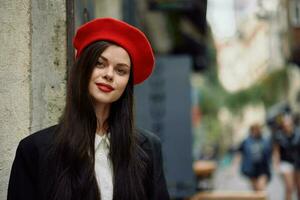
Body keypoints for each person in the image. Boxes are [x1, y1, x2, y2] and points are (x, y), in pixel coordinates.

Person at [7, 18, 170, 200]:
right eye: (100, 63)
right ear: (83, 69)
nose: (109, 75)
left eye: (121, 70)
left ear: (127, 84)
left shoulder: (148, 149)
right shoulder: (35, 149)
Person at [232, 123, 272, 191]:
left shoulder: (265, 141)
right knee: (255, 190)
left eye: (258, 129)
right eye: (254, 129)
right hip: (251, 169)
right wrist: (234, 166)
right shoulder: (246, 141)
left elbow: (270, 153)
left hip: (263, 168)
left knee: (261, 188)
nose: (256, 131)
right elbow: (239, 153)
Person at [273, 115, 300, 200]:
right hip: (286, 162)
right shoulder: (279, 135)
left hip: (298, 162)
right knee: (289, 187)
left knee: (299, 187)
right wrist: (276, 164)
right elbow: (276, 151)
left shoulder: (298, 133)